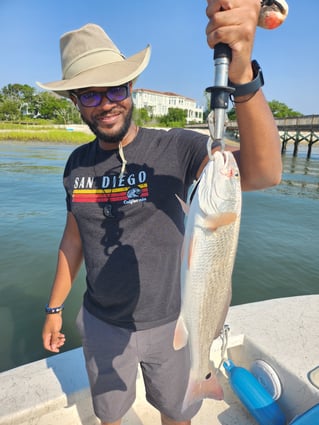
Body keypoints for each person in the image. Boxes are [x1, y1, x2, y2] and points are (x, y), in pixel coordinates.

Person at [40, 1, 282, 424]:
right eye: (91, 94)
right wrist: (54, 307)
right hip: (101, 323)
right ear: (76, 101)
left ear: (131, 86)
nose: (106, 103)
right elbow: (74, 237)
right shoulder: (76, 164)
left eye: (115, 88)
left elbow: (264, 172)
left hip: (175, 320)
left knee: (177, 413)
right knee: (110, 414)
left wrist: (241, 73)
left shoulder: (176, 148)